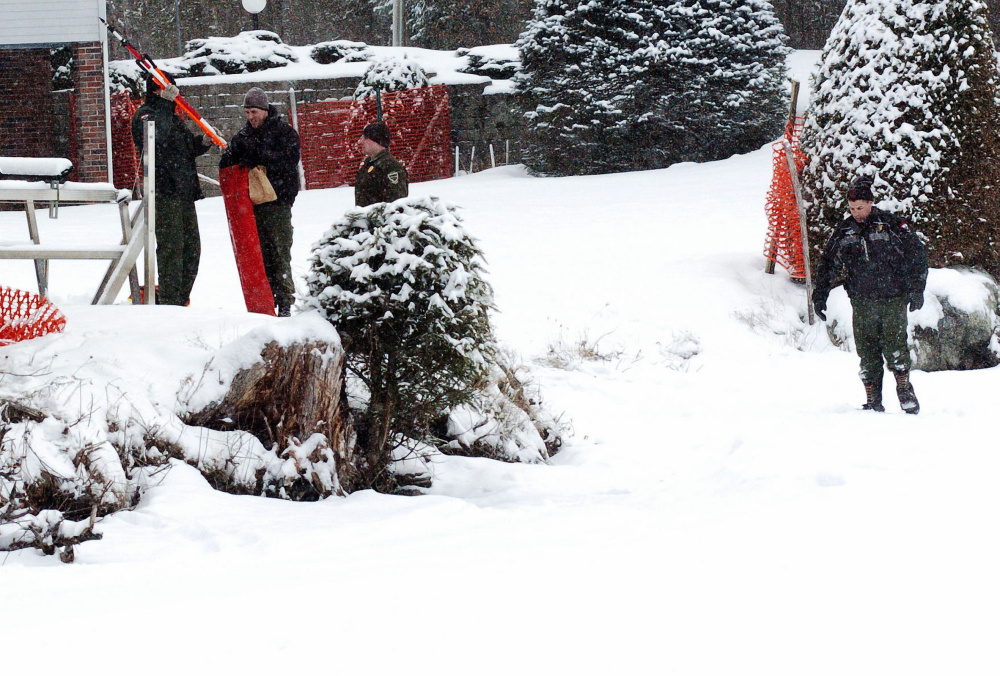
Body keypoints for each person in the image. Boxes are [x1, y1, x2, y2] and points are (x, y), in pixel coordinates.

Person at [812, 175, 928, 414]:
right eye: (852, 208)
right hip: (862, 301)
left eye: (860, 207)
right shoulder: (845, 231)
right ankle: (873, 399)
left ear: (871, 203)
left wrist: (917, 289)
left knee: (895, 346)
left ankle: (904, 391)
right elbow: (828, 263)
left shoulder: (891, 225)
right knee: (867, 351)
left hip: (893, 298)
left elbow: (917, 255)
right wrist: (820, 294)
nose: (856, 212)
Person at [219, 87, 301, 317]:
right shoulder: (243, 137)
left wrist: (259, 154)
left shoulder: (284, 133)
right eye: (247, 113)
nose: (250, 117)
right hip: (252, 206)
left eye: (253, 112)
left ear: (265, 110)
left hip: (278, 203)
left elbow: (289, 161)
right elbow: (227, 162)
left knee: (279, 252)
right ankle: (265, 302)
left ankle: (284, 301)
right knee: (260, 256)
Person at [131, 73, 210, 306]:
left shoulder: (172, 117)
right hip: (164, 193)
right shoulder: (146, 114)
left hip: (184, 192)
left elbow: (183, 149)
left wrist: (202, 143)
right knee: (171, 249)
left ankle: (180, 298)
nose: (173, 95)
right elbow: (156, 140)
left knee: (191, 249)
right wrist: (165, 104)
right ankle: (169, 302)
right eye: (167, 90)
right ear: (156, 91)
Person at [355, 121, 409, 207]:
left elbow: (396, 206)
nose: (360, 142)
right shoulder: (369, 165)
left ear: (376, 141)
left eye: (365, 138)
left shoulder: (391, 168)